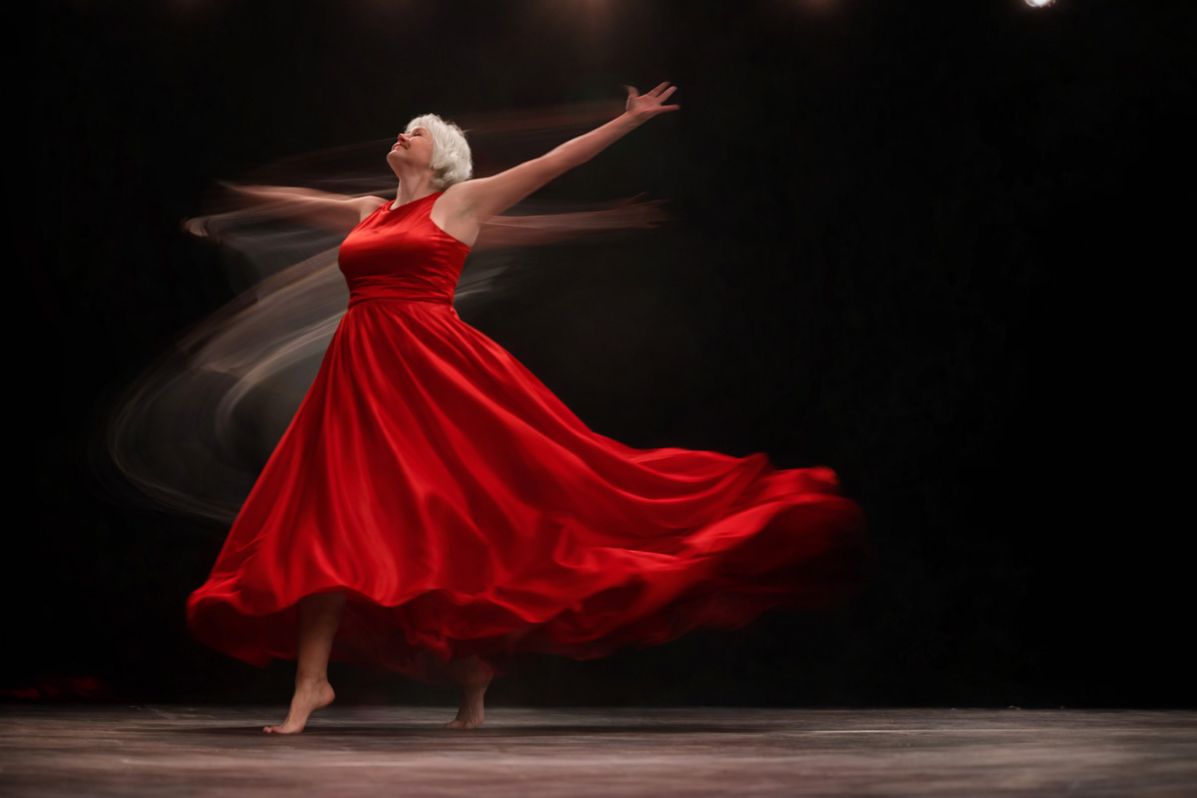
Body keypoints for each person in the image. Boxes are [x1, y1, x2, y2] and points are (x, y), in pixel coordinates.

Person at [186, 82, 873, 733]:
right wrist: (241, 201)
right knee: (331, 517)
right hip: (359, 375)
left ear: (442, 158)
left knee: (455, 520)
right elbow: (300, 201)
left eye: (417, 133)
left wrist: (628, 120)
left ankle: (471, 667)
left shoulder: (461, 202)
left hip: (433, 375)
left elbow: (550, 163)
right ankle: (317, 681)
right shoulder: (370, 211)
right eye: (405, 129)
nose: (404, 135)